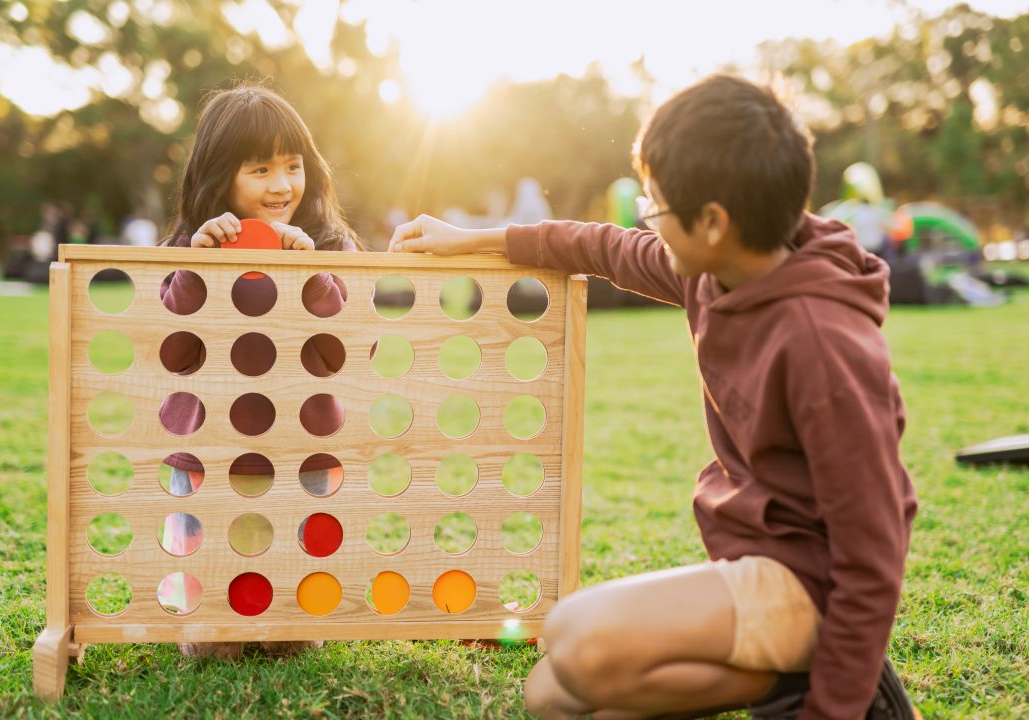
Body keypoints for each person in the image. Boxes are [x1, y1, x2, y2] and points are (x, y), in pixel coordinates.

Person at [389, 75, 919, 719]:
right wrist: (472, 239)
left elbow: (872, 554)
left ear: (715, 222)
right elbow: (601, 247)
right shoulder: (715, 270)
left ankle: (812, 686)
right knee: (552, 697)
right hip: (757, 559)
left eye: (656, 207)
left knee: (575, 639)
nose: (646, 220)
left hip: (814, 585)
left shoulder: (822, 343)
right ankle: (780, 677)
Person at [158, 83, 358, 659]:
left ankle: (287, 620)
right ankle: (209, 621)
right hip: (210, 456)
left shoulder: (330, 246)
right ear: (222, 177)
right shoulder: (184, 248)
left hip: (304, 457)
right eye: (260, 168)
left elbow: (346, 356)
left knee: (290, 636)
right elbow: (169, 355)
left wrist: (310, 276)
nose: (281, 185)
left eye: (293, 166)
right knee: (210, 639)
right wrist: (196, 270)